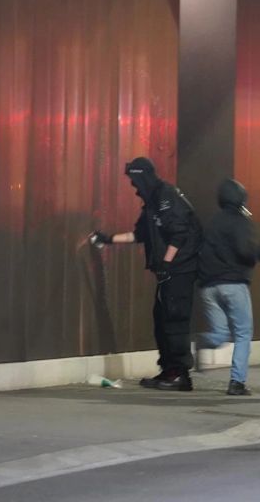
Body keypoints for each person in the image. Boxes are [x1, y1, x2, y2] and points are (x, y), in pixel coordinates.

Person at [91, 157, 202, 391]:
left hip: (179, 270)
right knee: (161, 319)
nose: (133, 187)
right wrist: (108, 239)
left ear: (143, 177)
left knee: (174, 319)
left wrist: (166, 263)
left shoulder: (165, 197)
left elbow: (179, 234)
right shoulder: (153, 202)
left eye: (134, 180)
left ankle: (179, 374)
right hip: (169, 272)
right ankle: (169, 370)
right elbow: (140, 234)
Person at [195, 178, 257, 396]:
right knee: (242, 333)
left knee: (221, 332)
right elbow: (244, 251)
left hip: (209, 286)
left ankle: (204, 341)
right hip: (234, 284)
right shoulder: (240, 221)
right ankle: (236, 382)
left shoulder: (211, 222)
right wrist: (253, 256)